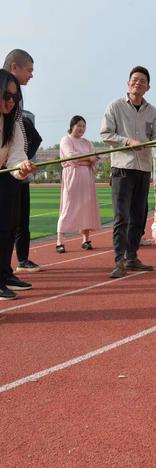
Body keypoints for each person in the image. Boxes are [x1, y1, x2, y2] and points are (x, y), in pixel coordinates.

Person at [100, 66, 156, 278]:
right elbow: (105, 134)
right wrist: (128, 141)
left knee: (139, 215)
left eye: (142, 81)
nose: (138, 83)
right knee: (122, 216)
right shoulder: (115, 106)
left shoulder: (152, 111)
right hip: (122, 167)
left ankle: (132, 257)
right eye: (134, 79)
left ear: (148, 87)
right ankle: (119, 260)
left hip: (143, 168)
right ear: (128, 83)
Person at [3, 49, 42, 273]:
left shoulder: (16, 98)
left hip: (13, 166)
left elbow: (17, 136)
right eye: (29, 70)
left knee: (11, 224)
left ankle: (6, 272)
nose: (32, 75)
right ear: (14, 67)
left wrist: (21, 164)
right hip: (5, 167)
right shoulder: (6, 89)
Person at [0, 69, 37, 299]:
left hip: (4, 177)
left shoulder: (13, 123)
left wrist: (21, 166)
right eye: (7, 95)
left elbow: (15, 155)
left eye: (15, 97)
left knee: (5, 229)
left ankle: (3, 276)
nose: (11, 101)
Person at [56, 116, 101, 252]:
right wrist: (88, 159)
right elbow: (72, 157)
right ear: (72, 126)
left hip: (87, 178)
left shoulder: (87, 142)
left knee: (86, 208)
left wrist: (83, 160)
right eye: (79, 125)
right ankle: (60, 241)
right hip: (72, 177)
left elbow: (94, 159)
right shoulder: (66, 140)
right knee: (68, 207)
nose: (81, 128)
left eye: (83, 126)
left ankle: (85, 239)